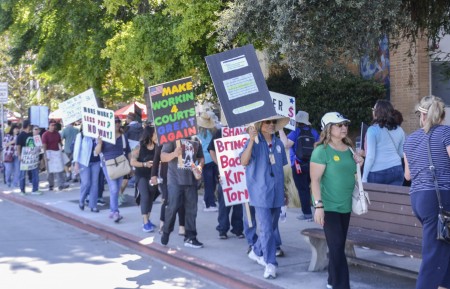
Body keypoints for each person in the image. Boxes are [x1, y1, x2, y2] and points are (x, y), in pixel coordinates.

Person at [310, 112, 363, 289]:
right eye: (339, 125)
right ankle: (342, 285)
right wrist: (319, 206)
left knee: (337, 247)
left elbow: (354, 176)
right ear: (328, 128)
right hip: (329, 206)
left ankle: (332, 281)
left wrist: (359, 163)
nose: (344, 128)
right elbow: (315, 181)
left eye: (345, 124)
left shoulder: (349, 149)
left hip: (345, 206)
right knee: (337, 247)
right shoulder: (321, 151)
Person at [403, 95, 450, 289]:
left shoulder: (411, 139)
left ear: (421, 116)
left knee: (443, 244)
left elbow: (408, 175)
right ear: (442, 115)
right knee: (434, 252)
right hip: (440, 198)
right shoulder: (446, 133)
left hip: (419, 198)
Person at [240, 116, 289, 279]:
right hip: (260, 192)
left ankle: (256, 250)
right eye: (268, 122)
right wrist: (251, 141)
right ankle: (270, 264)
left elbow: (282, 170)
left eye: (273, 122)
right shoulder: (253, 142)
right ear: (260, 124)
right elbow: (243, 161)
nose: (271, 125)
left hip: (277, 193)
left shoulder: (279, 144)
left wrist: (285, 191)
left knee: (272, 227)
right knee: (267, 229)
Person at [160, 137, 204, 248]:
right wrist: (174, 154)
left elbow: (201, 158)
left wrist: (199, 166)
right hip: (175, 180)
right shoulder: (172, 138)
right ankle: (166, 231)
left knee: (192, 209)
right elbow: (163, 156)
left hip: (191, 180)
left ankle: (190, 237)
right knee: (173, 207)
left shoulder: (195, 139)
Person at [279, 110, 320, 221]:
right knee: (314, 188)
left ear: (297, 121)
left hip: (298, 165)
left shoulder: (296, 132)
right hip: (313, 165)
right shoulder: (314, 132)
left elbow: (286, 145)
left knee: (303, 190)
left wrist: (280, 130)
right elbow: (319, 147)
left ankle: (307, 214)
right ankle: (318, 211)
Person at [207, 127, 244, 239]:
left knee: (239, 203)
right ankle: (222, 229)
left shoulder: (242, 130)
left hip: (239, 174)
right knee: (224, 203)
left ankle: (237, 229)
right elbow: (211, 149)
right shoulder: (221, 132)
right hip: (225, 174)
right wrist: (219, 163)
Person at [94, 117, 131, 223]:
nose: (117, 123)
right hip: (108, 164)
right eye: (115, 122)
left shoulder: (123, 136)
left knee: (116, 189)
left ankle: (113, 211)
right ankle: (115, 211)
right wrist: (100, 143)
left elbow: (128, 151)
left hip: (120, 164)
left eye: (119, 122)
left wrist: (131, 165)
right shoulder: (103, 136)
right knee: (114, 188)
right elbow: (96, 152)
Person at [362, 100, 405, 185]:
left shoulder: (372, 130)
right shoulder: (399, 129)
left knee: (375, 198)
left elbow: (370, 156)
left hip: (377, 172)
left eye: (373, 110)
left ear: (377, 112)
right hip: (397, 168)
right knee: (394, 198)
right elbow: (401, 153)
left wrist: (364, 177)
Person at [129, 126, 159, 232]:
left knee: (151, 196)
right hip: (141, 175)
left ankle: (147, 220)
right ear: (150, 135)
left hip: (153, 175)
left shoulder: (157, 146)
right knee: (145, 196)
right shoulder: (140, 146)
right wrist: (144, 164)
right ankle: (145, 222)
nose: (157, 135)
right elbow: (132, 162)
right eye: (155, 133)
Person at [153, 144, 186, 235]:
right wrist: (154, 175)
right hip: (166, 175)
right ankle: (162, 224)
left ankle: (182, 226)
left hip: (181, 174)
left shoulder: (185, 138)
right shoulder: (165, 139)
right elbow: (157, 158)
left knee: (181, 200)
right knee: (166, 199)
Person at [72, 126, 100, 213]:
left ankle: (93, 205)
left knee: (95, 184)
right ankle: (82, 199)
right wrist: (76, 163)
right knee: (86, 183)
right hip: (84, 162)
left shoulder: (98, 135)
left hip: (96, 161)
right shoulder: (81, 135)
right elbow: (77, 149)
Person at [197, 111, 219, 211]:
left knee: (209, 182)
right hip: (212, 159)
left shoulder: (198, 133)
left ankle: (209, 201)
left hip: (205, 160)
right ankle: (209, 203)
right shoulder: (214, 131)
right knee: (212, 182)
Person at [42, 120, 69, 191]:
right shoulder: (45, 134)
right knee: (50, 171)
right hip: (49, 152)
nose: (53, 127)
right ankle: (51, 185)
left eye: (54, 125)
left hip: (57, 152)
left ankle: (61, 184)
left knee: (60, 169)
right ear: (48, 126)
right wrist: (45, 155)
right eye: (52, 125)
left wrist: (62, 149)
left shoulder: (57, 133)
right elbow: (44, 145)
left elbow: (60, 142)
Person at [16, 120, 41, 195]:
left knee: (35, 173)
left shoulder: (32, 134)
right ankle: (22, 190)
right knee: (23, 174)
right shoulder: (20, 136)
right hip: (25, 158)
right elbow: (18, 147)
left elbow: (37, 145)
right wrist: (19, 155)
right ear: (28, 126)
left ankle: (35, 189)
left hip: (33, 158)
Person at [3, 123, 20, 188]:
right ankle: (8, 181)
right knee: (9, 170)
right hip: (8, 154)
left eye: (18, 129)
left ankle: (15, 183)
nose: (17, 130)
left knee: (17, 170)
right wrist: (12, 142)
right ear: (12, 129)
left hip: (16, 155)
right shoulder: (7, 136)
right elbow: (4, 144)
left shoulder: (18, 136)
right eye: (16, 129)